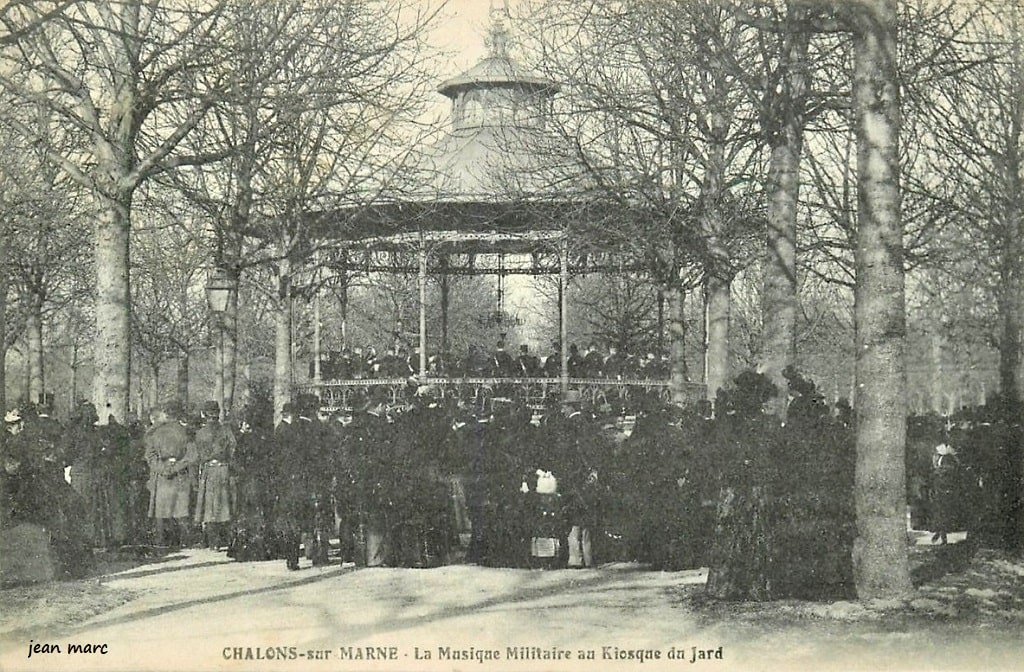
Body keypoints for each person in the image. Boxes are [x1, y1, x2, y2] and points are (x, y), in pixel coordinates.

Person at [145, 403, 197, 548]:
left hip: (162, 474)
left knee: (161, 509)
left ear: (166, 414)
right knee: (181, 508)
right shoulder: (186, 432)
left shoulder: (154, 432)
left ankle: (161, 541)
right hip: (180, 473)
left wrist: (162, 468)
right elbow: (192, 455)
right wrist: (177, 466)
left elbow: (150, 456)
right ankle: (185, 541)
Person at [193, 401, 236, 550]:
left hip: (209, 470)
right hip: (223, 469)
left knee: (210, 507)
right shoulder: (227, 430)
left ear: (204, 414)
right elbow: (233, 448)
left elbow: (198, 455)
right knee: (225, 505)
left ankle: (213, 543)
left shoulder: (200, 433)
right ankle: (228, 540)